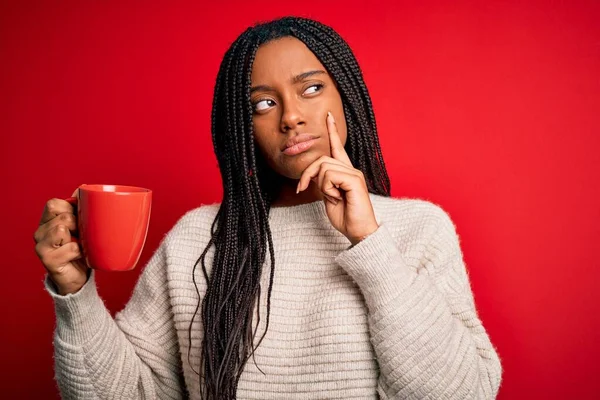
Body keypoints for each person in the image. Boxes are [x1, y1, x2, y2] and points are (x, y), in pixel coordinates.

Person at [34, 16, 502, 400]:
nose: (291, 116)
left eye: (312, 89)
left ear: (346, 95)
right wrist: (75, 295)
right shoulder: (197, 240)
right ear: (243, 126)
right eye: (262, 103)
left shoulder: (417, 228)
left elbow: (465, 393)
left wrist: (370, 243)